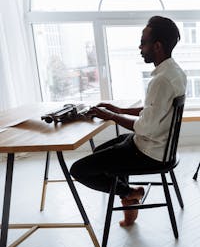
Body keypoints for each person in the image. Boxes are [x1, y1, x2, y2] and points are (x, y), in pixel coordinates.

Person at [70, 16, 187, 227]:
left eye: (143, 42)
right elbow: (155, 111)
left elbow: (145, 126)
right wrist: (119, 110)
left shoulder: (161, 81)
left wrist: (112, 116)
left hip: (149, 152)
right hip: (158, 147)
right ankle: (128, 199)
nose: (140, 47)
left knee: (78, 170)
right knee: (101, 156)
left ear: (157, 46)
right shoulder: (175, 72)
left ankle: (129, 193)